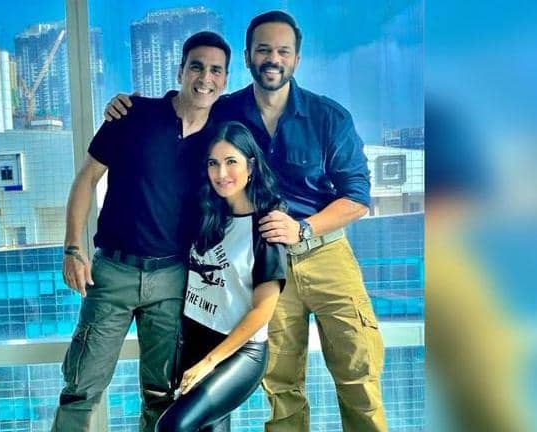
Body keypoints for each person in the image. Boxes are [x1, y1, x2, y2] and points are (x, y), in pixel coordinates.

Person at [105, 11, 387, 431]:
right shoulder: (225, 112)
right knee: (282, 388)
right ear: (248, 56)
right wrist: (127, 108)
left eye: (283, 51)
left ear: (296, 58)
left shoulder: (328, 117)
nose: (273, 58)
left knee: (358, 373)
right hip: (259, 266)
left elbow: (358, 198)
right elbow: (183, 114)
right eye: (263, 50)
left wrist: (303, 228)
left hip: (323, 254)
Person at [52, 31, 230, 432]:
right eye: (197, 67)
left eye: (215, 70)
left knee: (162, 394)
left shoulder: (221, 138)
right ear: (180, 71)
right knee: (81, 387)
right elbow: (87, 178)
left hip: (173, 279)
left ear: (224, 79)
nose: (205, 78)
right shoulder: (132, 114)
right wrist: (73, 248)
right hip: (112, 274)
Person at [156, 121, 286, 432]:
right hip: (195, 339)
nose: (221, 173)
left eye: (231, 162)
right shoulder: (208, 214)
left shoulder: (267, 227)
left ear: (250, 167)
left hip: (239, 351)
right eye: (213, 163)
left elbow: (263, 311)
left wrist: (209, 362)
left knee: (173, 426)